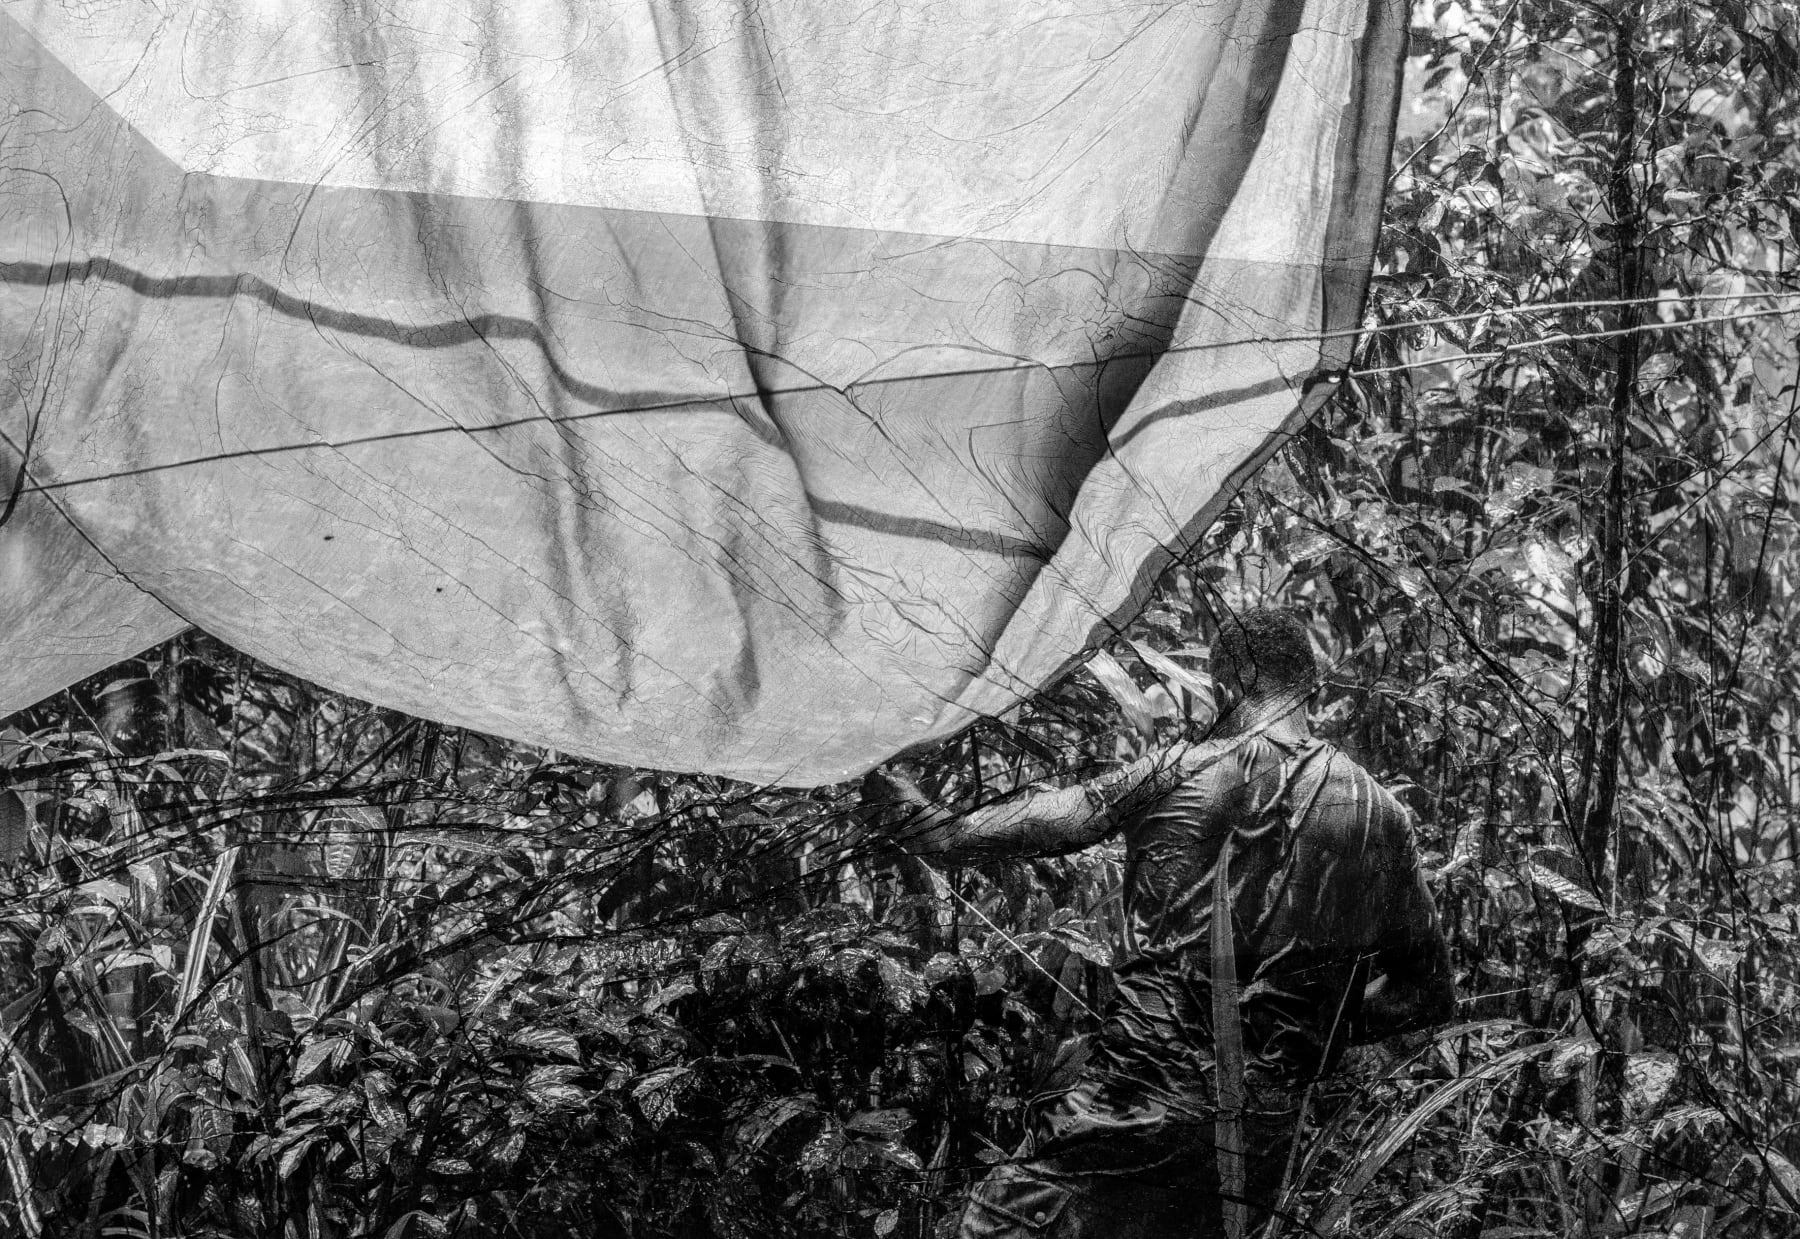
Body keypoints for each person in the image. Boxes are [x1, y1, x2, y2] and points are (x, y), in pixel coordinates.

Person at [864, 608, 1456, 1239]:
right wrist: (1296, 1032)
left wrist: (890, 789)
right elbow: (1425, 994)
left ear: (1223, 689)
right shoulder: (1380, 813)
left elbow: (960, 838)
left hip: (1132, 1103)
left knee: (992, 1225)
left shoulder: (1178, 772)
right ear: (1313, 687)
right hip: (1258, 1137)